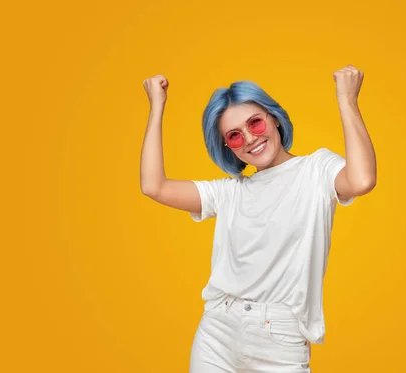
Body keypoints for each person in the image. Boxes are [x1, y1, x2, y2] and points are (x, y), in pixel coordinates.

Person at [140, 65, 377, 372]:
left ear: (274, 117)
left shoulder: (316, 170)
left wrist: (347, 100)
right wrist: (156, 106)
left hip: (280, 338)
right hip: (217, 333)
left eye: (255, 122)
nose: (250, 138)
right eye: (235, 137)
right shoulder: (229, 193)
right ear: (229, 148)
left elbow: (361, 180)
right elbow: (153, 186)